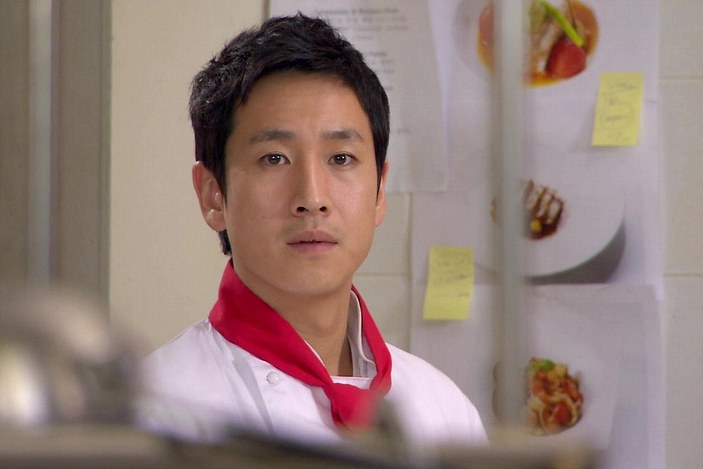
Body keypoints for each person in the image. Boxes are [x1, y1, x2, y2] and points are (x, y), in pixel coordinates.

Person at [139, 13, 487, 446]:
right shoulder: (153, 414)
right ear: (213, 196)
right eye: (274, 158)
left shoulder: (444, 413)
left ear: (380, 191)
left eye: (341, 158)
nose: (312, 197)